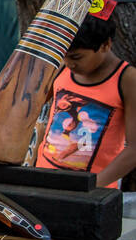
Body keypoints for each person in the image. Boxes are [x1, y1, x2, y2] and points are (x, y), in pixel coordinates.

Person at [36, 15, 136, 189]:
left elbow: (134, 149)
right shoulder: (62, 68)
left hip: (92, 190)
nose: (69, 64)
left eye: (76, 57)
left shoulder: (128, 80)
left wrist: (92, 187)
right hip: (43, 179)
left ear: (106, 45)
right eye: (64, 56)